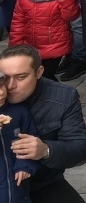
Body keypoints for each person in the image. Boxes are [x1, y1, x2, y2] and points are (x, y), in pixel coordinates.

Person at [0, 45, 86, 203]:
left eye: (21, 77)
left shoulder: (63, 97)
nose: (10, 86)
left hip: (43, 183)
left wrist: (45, 150)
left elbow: (80, 149)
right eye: (5, 78)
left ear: (39, 72)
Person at [10, 0, 80, 80]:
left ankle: (63, 98)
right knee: (38, 78)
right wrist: (15, 47)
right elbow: (18, 21)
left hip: (55, 45)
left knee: (45, 77)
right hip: (32, 45)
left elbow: (71, 16)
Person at [0, 71, 38, 203]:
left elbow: (30, 141)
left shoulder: (19, 112)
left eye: (1, 86)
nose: (1, 93)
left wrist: (24, 165)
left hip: (17, 190)